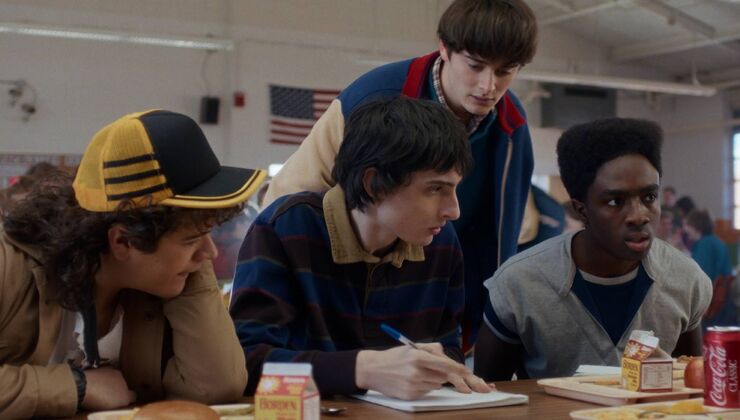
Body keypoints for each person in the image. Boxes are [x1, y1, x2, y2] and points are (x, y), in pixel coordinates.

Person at [263, 0, 538, 349]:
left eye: (505, 71)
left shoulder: (512, 126)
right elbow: (286, 203)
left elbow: (499, 242)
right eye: (475, 66)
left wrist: (483, 328)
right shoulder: (374, 96)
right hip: (337, 293)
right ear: (444, 49)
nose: (489, 85)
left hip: (432, 297)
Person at [0, 110, 266, 417]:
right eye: (192, 239)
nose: (212, 253)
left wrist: (190, 268)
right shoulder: (10, 267)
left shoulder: (155, 281)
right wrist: (77, 385)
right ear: (124, 242)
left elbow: (216, 387)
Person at [231, 98, 491, 400]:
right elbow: (246, 365)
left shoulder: (441, 242)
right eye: (435, 189)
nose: (454, 211)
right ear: (374, 184)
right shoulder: (284, 228)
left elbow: (448, 347)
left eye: (455, 188)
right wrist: (362, 370)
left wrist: (439, 365)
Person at [474, 118, 712, 381]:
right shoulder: (520, 283)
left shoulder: (685, 280)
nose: (638, 216)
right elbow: (487, 393)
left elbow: (692, 383)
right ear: (581, 209)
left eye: (649, 197)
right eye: (615, 201)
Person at [684, 209, 736, 327]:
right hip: (724, 305)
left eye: (688, 225)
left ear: (696, 226)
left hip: (712, 308)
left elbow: (700, 280)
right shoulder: (716, 241)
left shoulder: (704, 245)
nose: (686, 229)